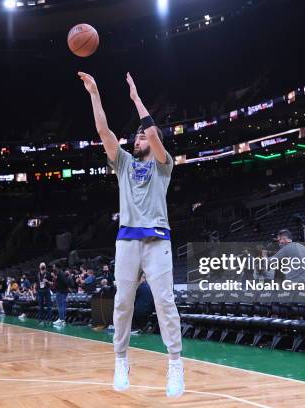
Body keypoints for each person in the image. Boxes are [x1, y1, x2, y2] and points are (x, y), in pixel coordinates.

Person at [79, 71, 184, 397]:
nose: (137, 139)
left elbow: (153, 131)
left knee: (165, 301)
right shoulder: (123, 162)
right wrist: (95, 93)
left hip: (157, 240)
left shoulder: (163, 164)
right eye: (135, 137)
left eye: (141, 137)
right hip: (127, 240)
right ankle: (121, 359)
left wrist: (136, 98)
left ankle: (176, 364)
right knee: (122, 303)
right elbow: (103, 131)